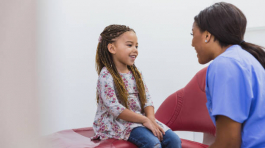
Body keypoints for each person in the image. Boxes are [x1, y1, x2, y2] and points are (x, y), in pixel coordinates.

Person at [91, 24, 181, 148]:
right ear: (112, 48)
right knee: (152, 144)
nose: (135, 50)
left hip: (139, 120)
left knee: (174, 140)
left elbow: (147, 99)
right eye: (129, 45)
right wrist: (144, 120)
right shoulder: (106, 75)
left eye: (136, 46)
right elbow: (114, 107)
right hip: (118, 123)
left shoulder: (136, 73)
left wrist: (150, 119)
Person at [191, 2, 265, 148]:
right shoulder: (245, 59)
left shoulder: (225, 65)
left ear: (207, 35)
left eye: (192, 34)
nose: (192, 43)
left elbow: (229, 143)